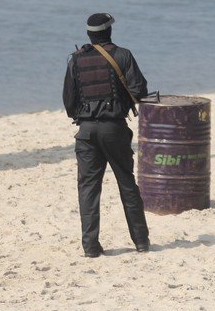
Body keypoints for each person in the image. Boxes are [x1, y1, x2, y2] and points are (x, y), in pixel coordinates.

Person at [62, 13, 150, 257]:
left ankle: (91, 247)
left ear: (89, 34)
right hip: (115, 129)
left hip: (86, 131)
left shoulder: (75, 59)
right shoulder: (123, 55)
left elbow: (69, 101)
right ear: (109, 31)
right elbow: (139, 91)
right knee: (127, 183)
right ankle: (141, 242)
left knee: (88, 188)